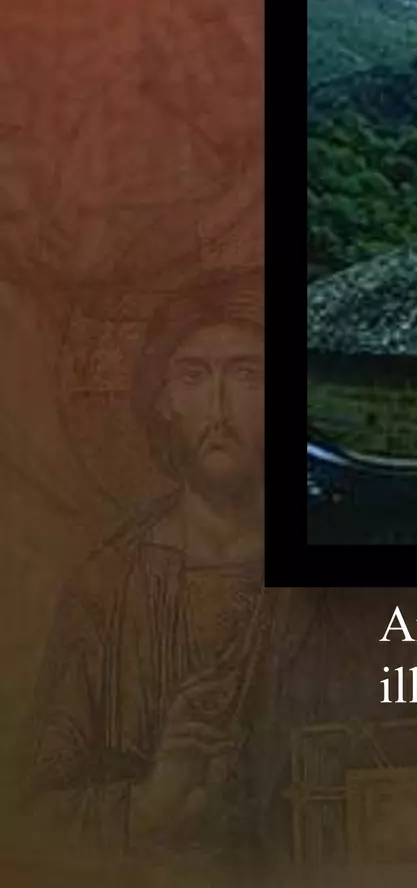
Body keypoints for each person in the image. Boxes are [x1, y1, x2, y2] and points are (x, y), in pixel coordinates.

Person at [20, 275, 300, 863]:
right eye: (194, 376)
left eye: (248, 375)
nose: (218, 409)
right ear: (163, 398)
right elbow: (33, 817)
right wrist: (150, 803)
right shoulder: (109, 587)